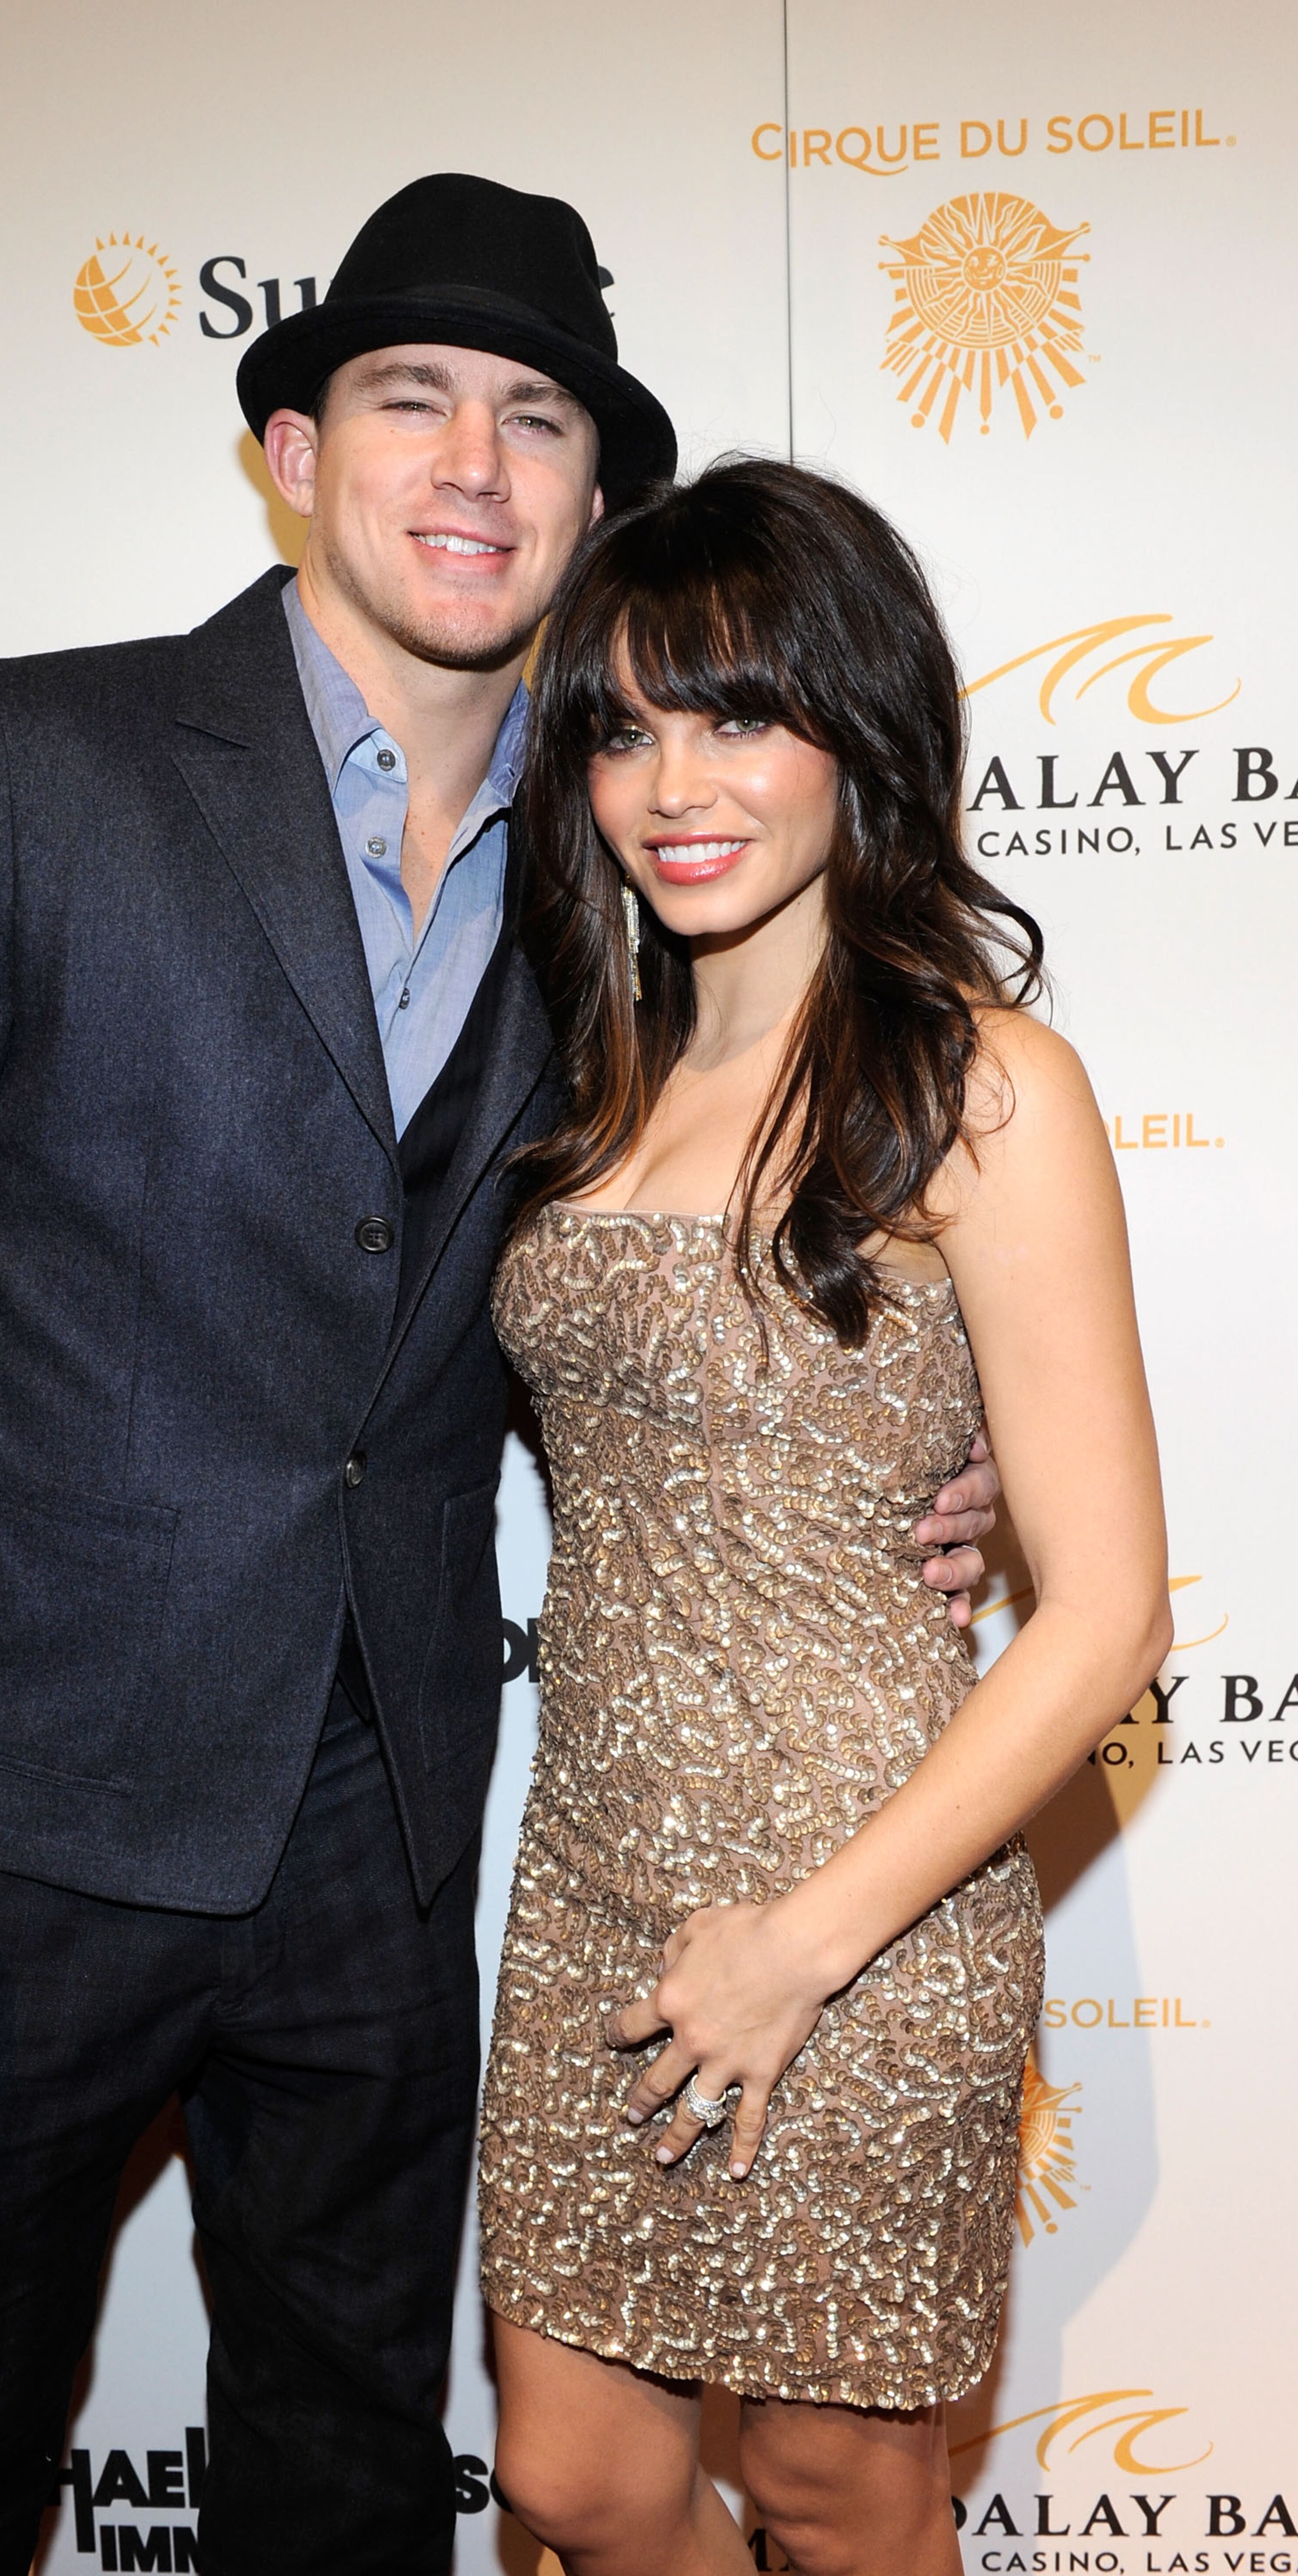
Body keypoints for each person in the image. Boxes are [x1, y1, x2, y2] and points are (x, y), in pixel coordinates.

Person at [0, 180, 1000, 2576]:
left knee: (343, 2496)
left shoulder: (625, 876)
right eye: (414, 402)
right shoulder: (39, 760)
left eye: (538, 424)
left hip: (382, 1850)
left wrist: (945, 1416)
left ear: (596, 506)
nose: (477, 471)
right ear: (292, 450)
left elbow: (686, 1257)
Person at [477, 458, 1171, 2576]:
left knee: (833, 2496)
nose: (670, 782)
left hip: (868, 1904)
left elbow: (1108, 1609)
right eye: (619, 724)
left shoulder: (982, 1087)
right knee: (573, 2484)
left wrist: (806, 1939)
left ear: (857, 732)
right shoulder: (584, 1074)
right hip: (595, 1877)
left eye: (736, 715)